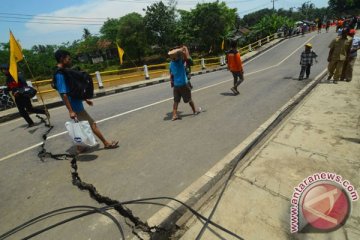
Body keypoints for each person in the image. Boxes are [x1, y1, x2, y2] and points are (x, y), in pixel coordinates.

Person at [53, 50, 118, 151]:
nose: (70, 61)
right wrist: (71, 110)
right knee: (92, 124)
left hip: (76, 103)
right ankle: (106, 143)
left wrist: (85, 99)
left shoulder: (65, 71)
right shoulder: (60, 74)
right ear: (62, 59)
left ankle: (79, 148)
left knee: (79, 126)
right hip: (74, 106)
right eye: (68, 59)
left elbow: (74, 88)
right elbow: (63, 94)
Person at [169, 49, 201, 121]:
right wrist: (185, 50)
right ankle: (195, 111)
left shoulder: (171, 64)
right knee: (189, 99)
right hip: (183, 84)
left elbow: (171, 74)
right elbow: (187, 58)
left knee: (176, 101)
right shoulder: (180, 62)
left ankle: (174, 115)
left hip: (176, 85)